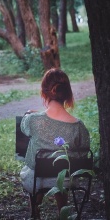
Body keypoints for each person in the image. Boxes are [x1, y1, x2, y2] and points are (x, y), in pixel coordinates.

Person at [20, 68, 90, 218]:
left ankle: (35, 204)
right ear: (67, 94)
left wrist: (29, 113)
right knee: (60, 169)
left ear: (44, 93)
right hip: (66, 178)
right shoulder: (78, 126)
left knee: (34, 148)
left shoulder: (33, 120)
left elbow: (23, 128)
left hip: (36, 178)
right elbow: (83, 152)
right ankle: (62, 210)